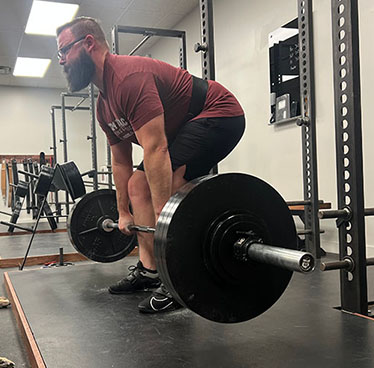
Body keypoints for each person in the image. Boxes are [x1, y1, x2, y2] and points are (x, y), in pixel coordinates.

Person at [57, 17, 245, 314]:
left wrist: (163, 214)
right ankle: (150, 270)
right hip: (184, 127)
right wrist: (121, 211)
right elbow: (121, 162)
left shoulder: (128, 78)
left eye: (64, 51)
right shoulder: (104, 106)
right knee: (136, 185)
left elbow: (156, 149)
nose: (62, 61)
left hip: (219, 113)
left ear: (88, 43)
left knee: (170, 187)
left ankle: (181, 282)